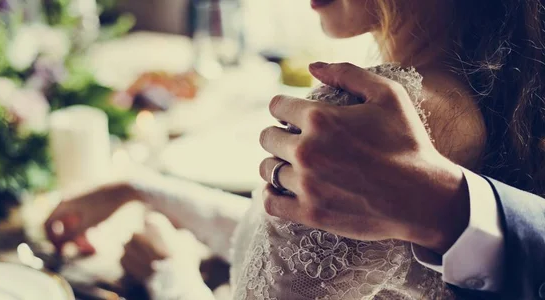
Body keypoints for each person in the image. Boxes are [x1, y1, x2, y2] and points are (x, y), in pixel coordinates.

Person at [45, 0, 545, 299]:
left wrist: (168, 271)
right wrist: (143, 191)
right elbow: (287, 250)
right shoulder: (500, 87)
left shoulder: (367, 113)